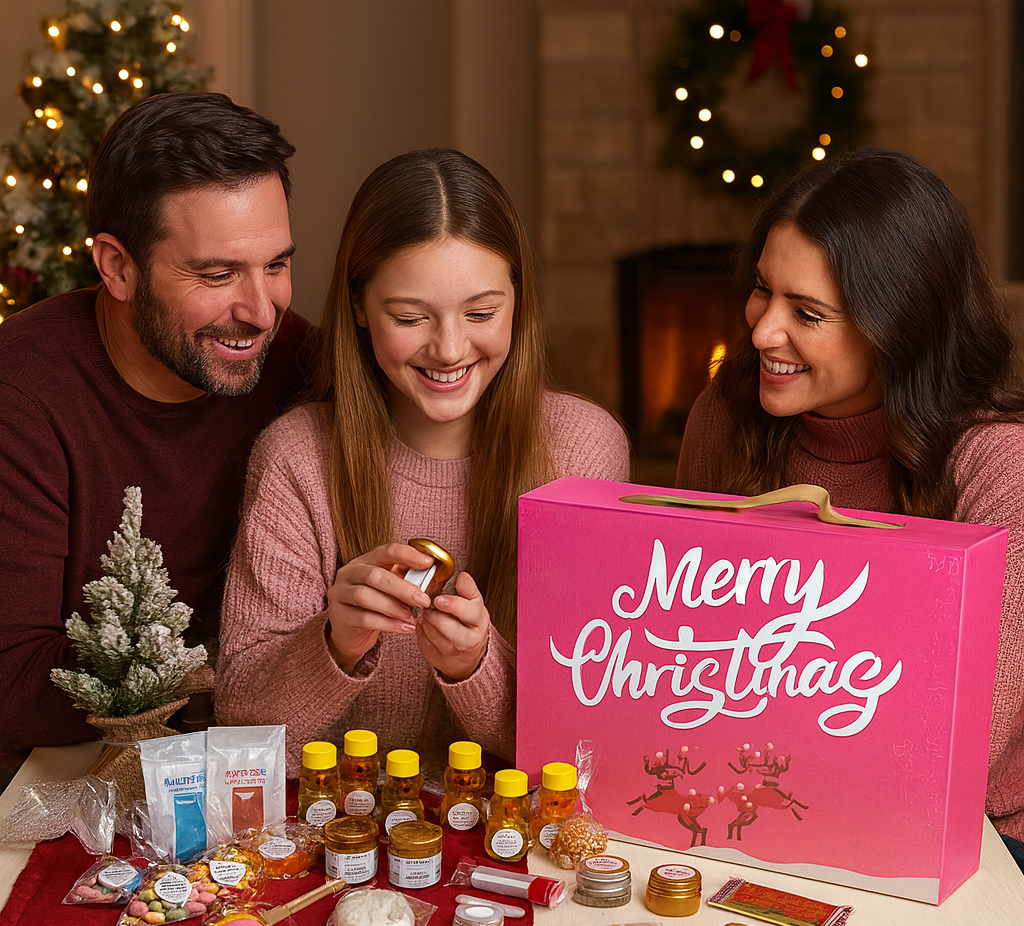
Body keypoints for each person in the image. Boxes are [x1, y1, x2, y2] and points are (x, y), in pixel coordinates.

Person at [216, 148, 630, 776]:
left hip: (511, 835)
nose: (450, 348)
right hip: (341, 830)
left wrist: (474, 666)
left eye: (482, 313)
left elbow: (592, 740)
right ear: (358, 308)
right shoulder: (297, 457)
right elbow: (240, 726)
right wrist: (334, 642)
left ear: (518, 300)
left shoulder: (582, 452)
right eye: (410, 317)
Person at [676, 148, 1024, 852]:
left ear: (896, 326)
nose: (762, 330)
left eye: (806, 312)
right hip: (756, 797)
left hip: (973, 831)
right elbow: (679, 651)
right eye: (761, 288)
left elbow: (954, 753)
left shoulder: (1001, 468)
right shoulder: (727, 413)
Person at [0, 92, 310, 779]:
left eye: (277, 264)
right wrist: (241, 664)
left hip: (245, 758)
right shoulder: (19, 393)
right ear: (117, 267)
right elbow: (13, 680)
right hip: (54, 775)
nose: (261, 312)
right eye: (217, 273)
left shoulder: (301, 368)